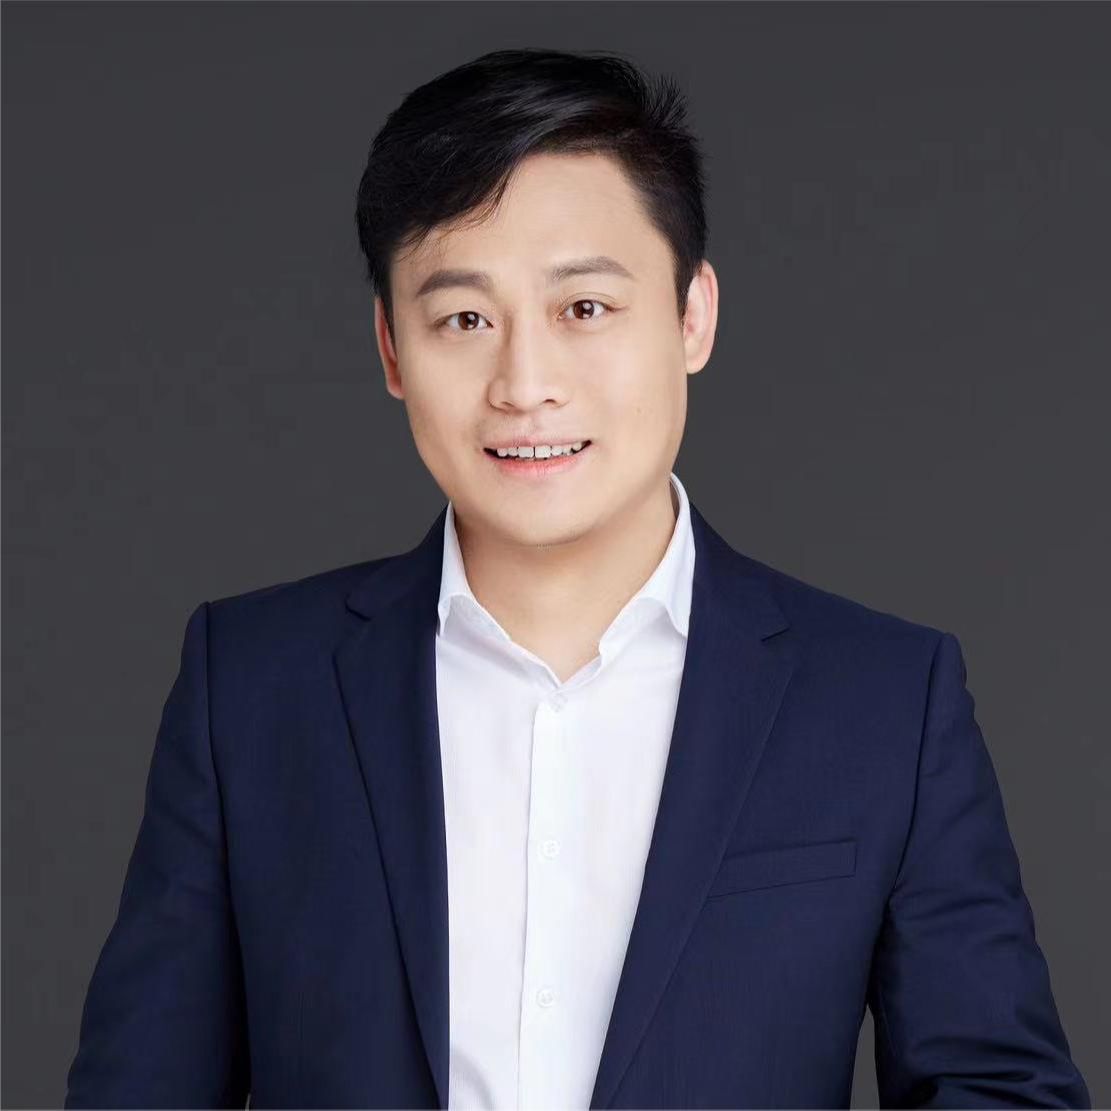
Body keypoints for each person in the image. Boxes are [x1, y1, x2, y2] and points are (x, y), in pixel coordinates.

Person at [65, 47, 1090, 1110]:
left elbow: (1000, 1091)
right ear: (391, 348)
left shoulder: (883, 699)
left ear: (692, 315)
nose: (525, 384)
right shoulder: (251, 685)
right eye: (465, 319)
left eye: (584, 308)